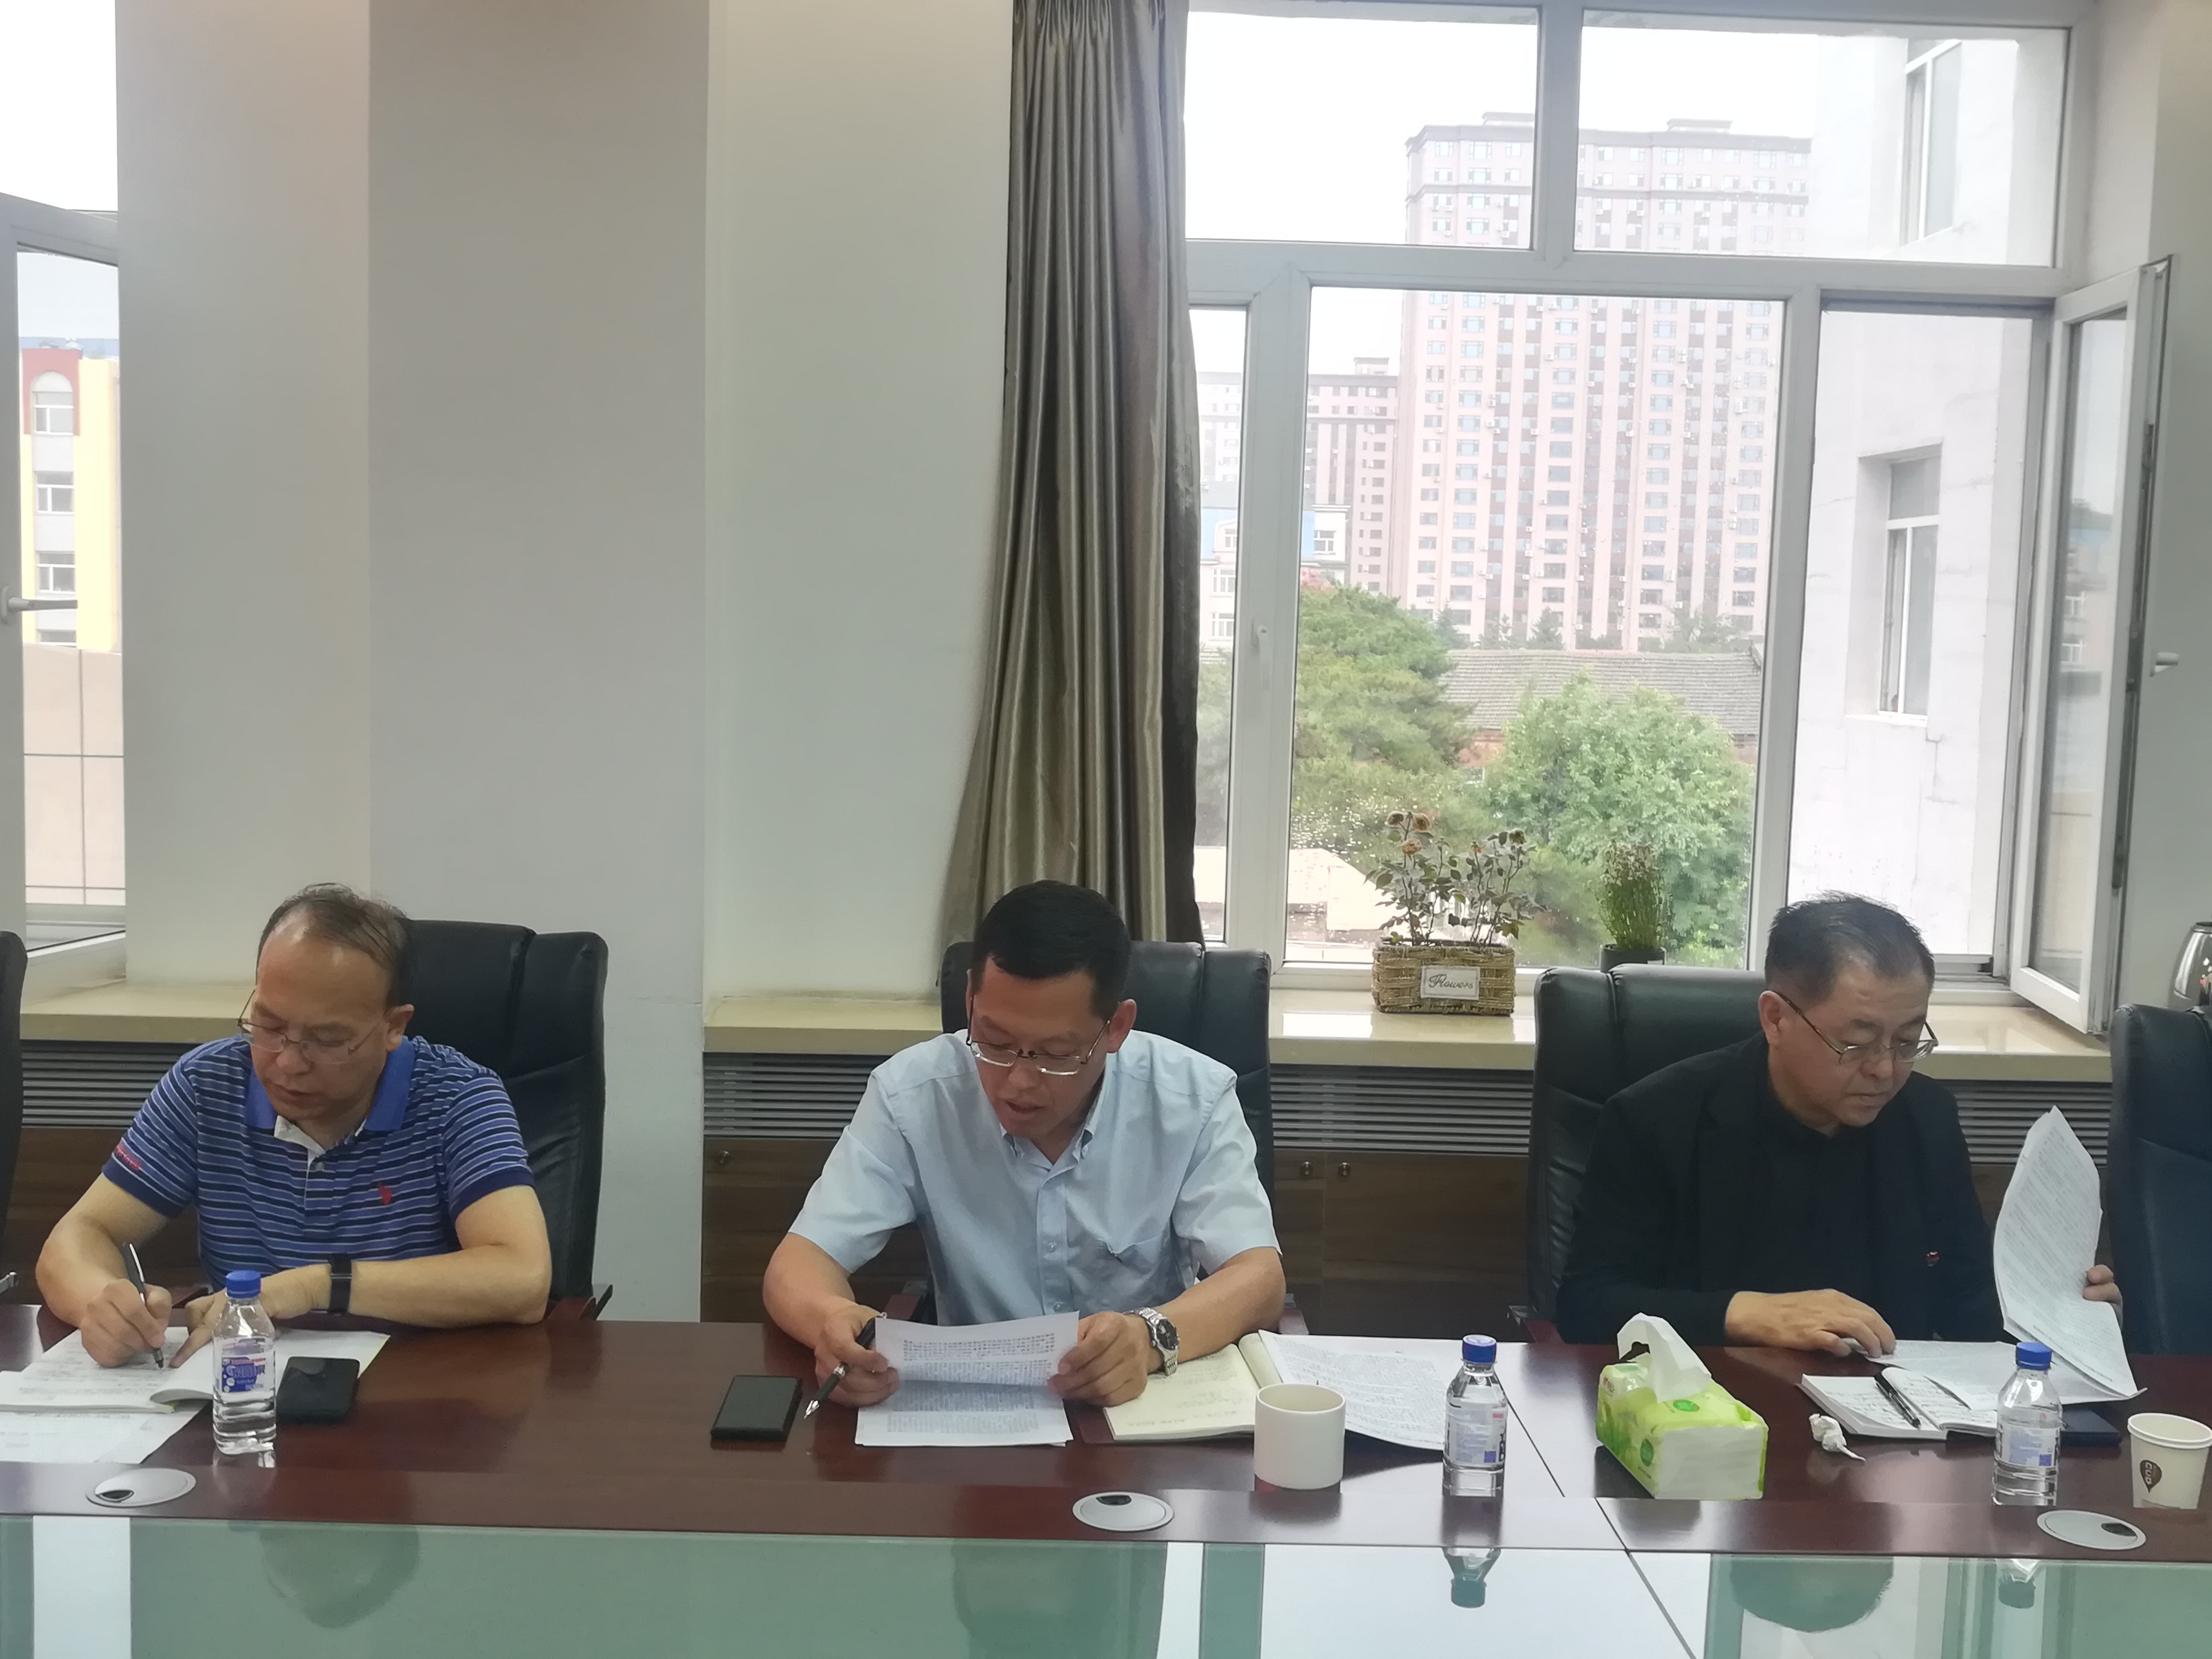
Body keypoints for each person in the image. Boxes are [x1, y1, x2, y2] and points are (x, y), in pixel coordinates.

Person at [764, 881, 1284, 1408]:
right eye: (995, 1042)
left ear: (1116, 1028)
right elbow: (799, 1262)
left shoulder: (1192, 1099)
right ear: (971, 1000)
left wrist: (1149, 1337)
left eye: (1056, 1054)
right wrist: (831, 1319)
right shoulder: (913, 1095)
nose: (1018, 1082)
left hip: (1141, 1405)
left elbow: (1259, 1278)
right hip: (978, 1409)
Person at [1555, 894, 2119, 1353]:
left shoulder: (1925, 1120)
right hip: (1710, 1414)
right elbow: (1587, 1307)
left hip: (1889, 1422)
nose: (1885, 1070)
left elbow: (1966, 1304)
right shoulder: (1656, 1120)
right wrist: (1748, 1314)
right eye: (1856, 1042)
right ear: (1776, 1019)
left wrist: (2056, 1316)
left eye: (1907, 1041)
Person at [38, 884, 552, 1366]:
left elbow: (523, 1278)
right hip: (243, 1388)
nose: (287, 1063)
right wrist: (102, 1304)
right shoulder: (207, 1085)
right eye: (269, 1025)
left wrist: (314, 1286)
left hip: (415, 1388)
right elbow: (81, 1235)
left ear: (393, 1027)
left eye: (326, 1040)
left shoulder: (458, 1097)